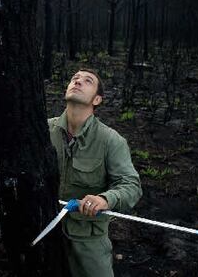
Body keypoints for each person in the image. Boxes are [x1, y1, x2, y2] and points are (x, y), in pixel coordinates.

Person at [48, 68, 142, 277]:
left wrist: (105, 199)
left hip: (87, 238)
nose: (78, 82)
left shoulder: (111, 140)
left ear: (97, 99)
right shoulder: (44, 130)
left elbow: (131, 186)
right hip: (44, 231)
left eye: (87, 81)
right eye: (74, 78)